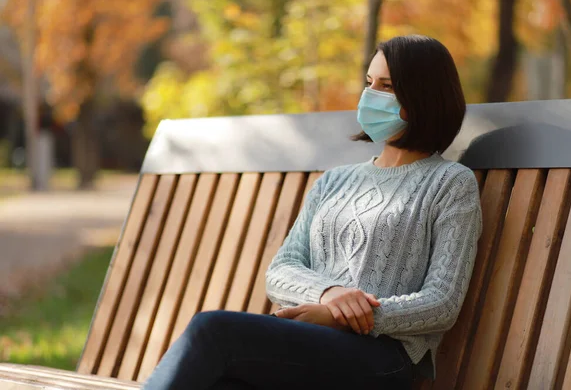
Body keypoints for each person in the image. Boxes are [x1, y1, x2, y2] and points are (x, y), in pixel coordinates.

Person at [143, 34, 483, 390]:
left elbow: (442, 302)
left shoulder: (450, 182)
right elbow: (281, 270)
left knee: (212, 331)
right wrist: (329, 293)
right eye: (369, 83)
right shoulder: (334, 180)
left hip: (382, 358)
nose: (370, 96)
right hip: (311, 346)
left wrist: (344, 317)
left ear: (423, 96)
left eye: (386, 86)